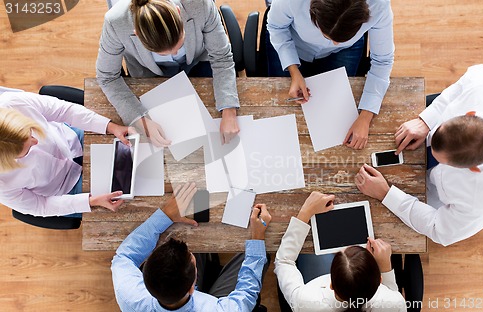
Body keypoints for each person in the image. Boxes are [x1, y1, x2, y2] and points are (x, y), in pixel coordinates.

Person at [355, 64, 483, 246]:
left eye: (442, 160)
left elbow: (437, 228)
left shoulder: (480, 202)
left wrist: (386, 194)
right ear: (469, 114)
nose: (428, 150)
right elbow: (461, 85)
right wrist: (426, 121)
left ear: (473, 169)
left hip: (432, 198)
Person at [96, 0, 240, 145]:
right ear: (138, 35)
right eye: (163, 53)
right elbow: (107, 77)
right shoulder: (115, 22)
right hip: (148, 73)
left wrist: (229, 111)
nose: (176, 53)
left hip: (198, 60)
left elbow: (221, 57)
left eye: (180, 43)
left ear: (178, 12)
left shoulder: (199, 3)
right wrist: (141, 120)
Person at [111, 182, 272, 312]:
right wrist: (257, 237)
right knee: (261, 254)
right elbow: (246, 295)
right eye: (192, 263)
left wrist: (164, 215)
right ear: (191, 288)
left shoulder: (130, 296)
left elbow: (123, 257)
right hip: (214, 302)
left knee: (195, 228)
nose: (190, 252)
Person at [267, 0, 394, 150]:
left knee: (337, 117)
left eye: (338, 40)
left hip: (345, 50)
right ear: (313, 13)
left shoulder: (379, 4)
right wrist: (294, 71)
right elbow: (276, 26)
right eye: (328, 37)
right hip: (294, 42)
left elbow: (383, 61)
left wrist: (366, 117)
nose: (334, 44)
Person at [0, 89, 132, 217]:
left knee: (135, 147)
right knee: (129, 201)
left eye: (30, 132)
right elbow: (41, 206)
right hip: (65, 189)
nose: (36, 142)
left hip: (71, 139)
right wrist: (90, 201)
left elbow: (63, 110)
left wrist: (110, 127)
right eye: (27, 150)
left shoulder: (12, 103)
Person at [275, 191, 406, 311]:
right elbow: (391, 296)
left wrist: (306, 212)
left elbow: (284, 262)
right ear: (379, 280)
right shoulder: (394, 304)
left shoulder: (305, 301)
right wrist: (385, 266)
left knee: (312, 252)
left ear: (331, 285)